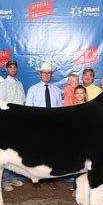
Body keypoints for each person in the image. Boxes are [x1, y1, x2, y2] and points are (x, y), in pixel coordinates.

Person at [26, 61, 62, 189]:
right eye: (44, 73)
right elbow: (28, 109)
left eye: (49, 73)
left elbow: (59, 109)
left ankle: (51, 177)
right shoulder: (32, 89)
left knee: (52, 152)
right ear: (40, 74)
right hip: (38, 124)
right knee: (38, 152)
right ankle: (36, 178)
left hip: (53, 124)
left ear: (51, 75)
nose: (46, 75)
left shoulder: (56, 90)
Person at [0, 60, 25, 191]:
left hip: (19, 122)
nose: (13, 69)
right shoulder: (3, 85)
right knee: (5, 152)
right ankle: (4, 180)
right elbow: (0, 105)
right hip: (7, 122)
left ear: (16, 69)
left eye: (14, 67)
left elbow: (22, 103)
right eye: (10, 68)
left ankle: (12, 177)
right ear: (7, 70)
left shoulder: (20, 84)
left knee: (14, 153)